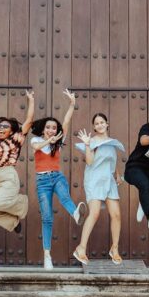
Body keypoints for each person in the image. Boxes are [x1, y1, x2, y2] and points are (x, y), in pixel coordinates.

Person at [30, 88, 88, 270]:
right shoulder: (36, 140)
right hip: (42, 182)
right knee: (47, 218)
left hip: (57, 177)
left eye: (54, 128)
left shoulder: (59, 140)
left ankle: (76, 213)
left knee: (65, 197)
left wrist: (72, 104)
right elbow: (37, 147)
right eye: (48, 127)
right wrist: (50, 140)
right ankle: (47, 255)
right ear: (43, 129)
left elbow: (66, 121)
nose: (51, 129)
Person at [72, 113, 126, 265]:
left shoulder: (112, 142)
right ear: (94, 127)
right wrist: (88, 144)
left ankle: (114, 249)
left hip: (109, 181)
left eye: (102, 122)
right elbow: (90, 162)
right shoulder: (92, 141)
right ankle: (81, 248)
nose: (100, 125)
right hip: (94, 180)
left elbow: (111, 161)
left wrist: (117, 174)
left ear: (107, 124)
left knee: (116, 215)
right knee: (94, 213)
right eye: (97, 123)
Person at [0, 88, 35, 233]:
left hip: (8, 176)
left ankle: (21, 204)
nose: (0, 128)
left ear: (11, 131)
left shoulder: (16, 139)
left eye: (5, 126)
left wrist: (31, 100)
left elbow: (29, 121)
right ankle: (13, 223)